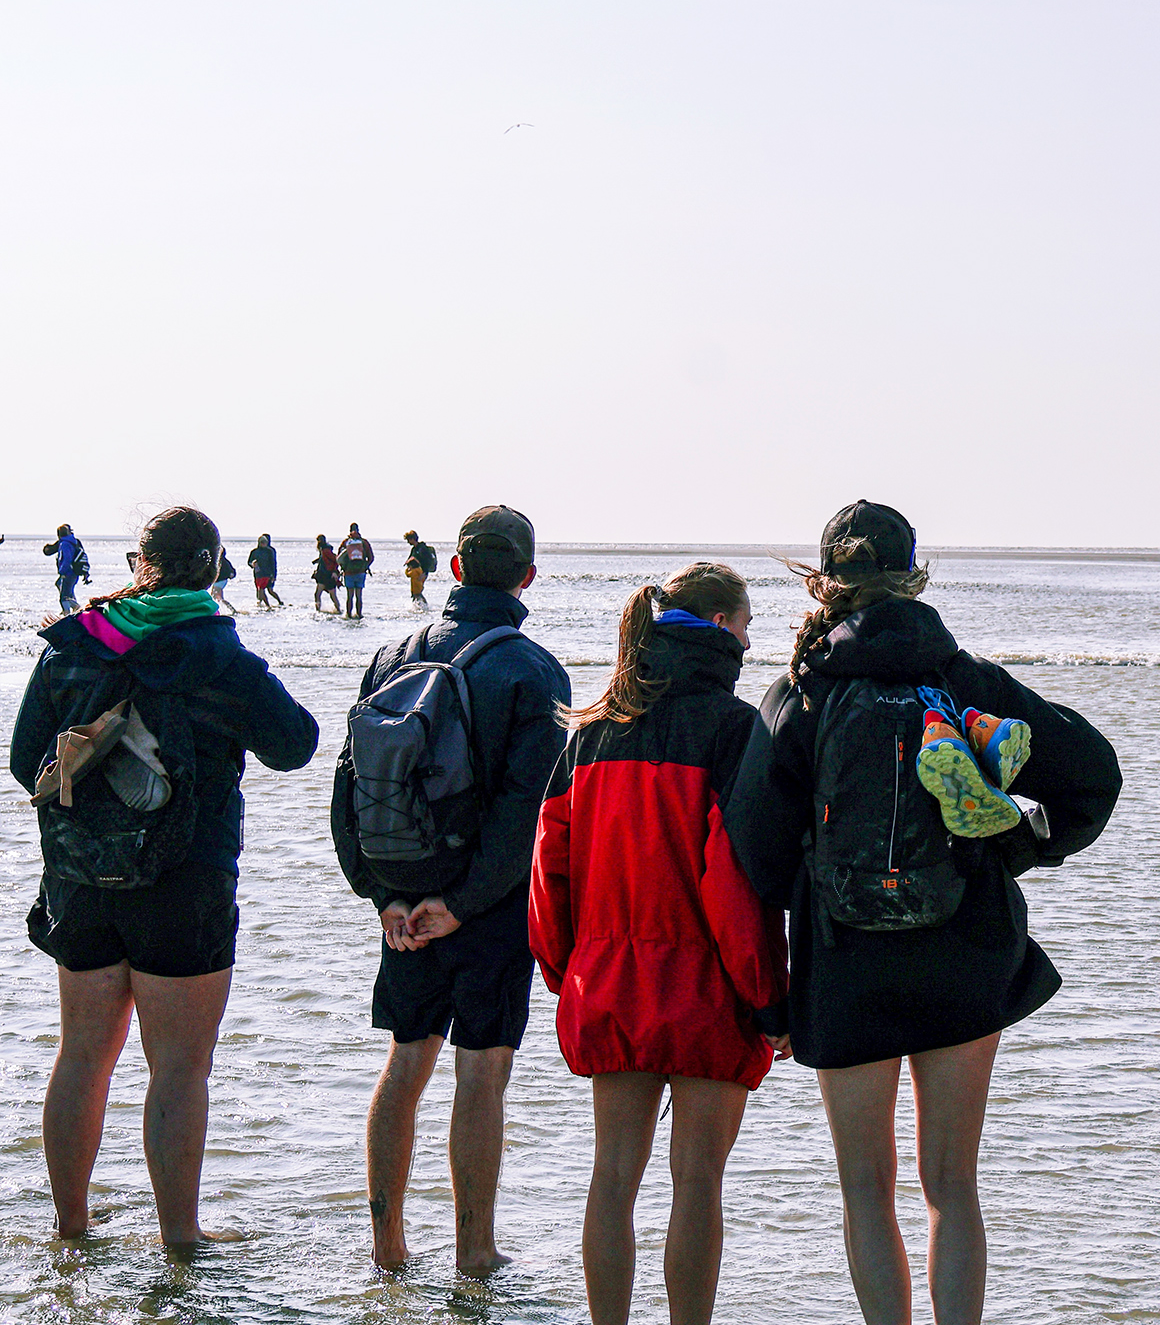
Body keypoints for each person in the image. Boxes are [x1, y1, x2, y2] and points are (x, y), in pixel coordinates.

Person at [721, 499, 1122, 1325]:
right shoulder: (964, 679)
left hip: (842, 963)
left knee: (865, 1190)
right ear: (914, 574)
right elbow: (1094, 777)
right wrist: (1015, 844)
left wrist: (771, 999)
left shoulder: (798, 693)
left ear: (826, 580)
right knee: (953, 1186)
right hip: (966, 954)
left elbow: (751, 856)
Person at [10, 506, 318, 1247]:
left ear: (133, 565)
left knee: (83, 1052)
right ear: (214, 571)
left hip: (82, 879)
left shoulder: (73, 647)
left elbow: (28, 764)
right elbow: (296, 746)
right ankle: (180, 1237)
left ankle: (71, 1229)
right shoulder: (222, 657)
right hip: (187, 878)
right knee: (179, 1069)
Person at [530, 563, 790, 1325]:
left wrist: (566, 970)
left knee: (612, 1176)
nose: (750, 640)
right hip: (709, 989)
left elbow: (549, 866)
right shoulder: (737, 729)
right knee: (697, 1182)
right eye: (747, 626)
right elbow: (734, 889)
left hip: (607, 980)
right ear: (721, 628)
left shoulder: (593, 731)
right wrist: (769, 1000)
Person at [341, 505, 569, 1275]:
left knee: (406, 1063)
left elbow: (348, 792)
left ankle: (388, 1250)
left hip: (403, 900)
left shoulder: (390, 655)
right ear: (527, 577)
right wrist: (465, 905)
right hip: (488, 907)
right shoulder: (534, 671)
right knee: (482, 1070)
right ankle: (475, 1251)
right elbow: (525, 814)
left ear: (455, 569)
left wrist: (383, 898)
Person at [43, 525, 90, 614]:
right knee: (62, 588)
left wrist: (62, 571)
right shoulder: (73, 541)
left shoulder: (65, 544)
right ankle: (74, 608)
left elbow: (67, 559)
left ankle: (69, 612)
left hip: (68, 573)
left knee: (64, 598)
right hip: (73, 572)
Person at [338, 523, 375, 619]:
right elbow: (371, 558)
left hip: (348, 573)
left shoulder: (346, 542)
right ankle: (359, 615)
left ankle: (349, 615)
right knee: (359, 596)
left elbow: (339, 558)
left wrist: (343, 567)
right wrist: (365, 566)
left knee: (349, 596)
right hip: (361, 573)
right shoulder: (364, 542)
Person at [247, 534, 283, 609]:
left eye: (265, 542)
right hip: (258, 574)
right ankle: (262, 604)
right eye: (262, 542)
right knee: (260, 590)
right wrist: (252, 564)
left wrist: (274, 575)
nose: (263, 544)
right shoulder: (254, 551)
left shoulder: (270, 551)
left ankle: (277, 602)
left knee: (269, 590)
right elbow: (249, 562)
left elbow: (273, 563)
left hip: (268, 574)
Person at [403, 530, 436, 609]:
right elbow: (410, 560)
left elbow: (427, 561)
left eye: (408, 540)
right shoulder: (414, 549)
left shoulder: (422, 548)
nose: (408, 542)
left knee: (417, 592)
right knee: (415, 592)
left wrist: (424, 573)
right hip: (416, 573)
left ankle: (425, 607)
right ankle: (418, 607)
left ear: (412, 539)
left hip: (422, 572)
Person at [312, 535, 342, 613]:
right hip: (325, 575)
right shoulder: (323, 550)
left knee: (324, 595)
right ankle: (337, 610)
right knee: (326, 595)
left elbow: (335, 560)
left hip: (327, 575)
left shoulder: (325, 550)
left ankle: (319, 610)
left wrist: (334, 572)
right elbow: (325, 560)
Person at [211, 548, 237, 614]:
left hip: (221, 581)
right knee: (214, 597)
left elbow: (232, 572)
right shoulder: (219, 561)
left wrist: (230, 575)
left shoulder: (223, 561)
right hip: (218, 581)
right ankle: (220, 610)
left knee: (218, 597)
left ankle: (232, 610)